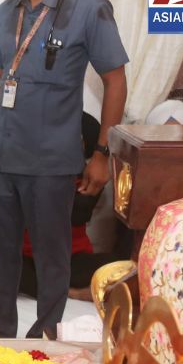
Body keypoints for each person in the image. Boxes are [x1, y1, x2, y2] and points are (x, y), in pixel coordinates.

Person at [0, 0, 128, 339]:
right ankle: (2, 338)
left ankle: (45, 338)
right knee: (2, 256)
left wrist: (101, 153)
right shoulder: (6, 13)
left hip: (51, 162)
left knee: (51, 256)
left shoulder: (88, 6)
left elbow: (115, 80)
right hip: (0, 158)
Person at [18, 113, 127, 301]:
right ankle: (57, 288)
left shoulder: (91, 177)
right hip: (30, 258)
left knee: (122, 268)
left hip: (72, 259)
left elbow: (76, 215)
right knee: (3, 265)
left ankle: (72, 292)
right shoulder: (31, 170)